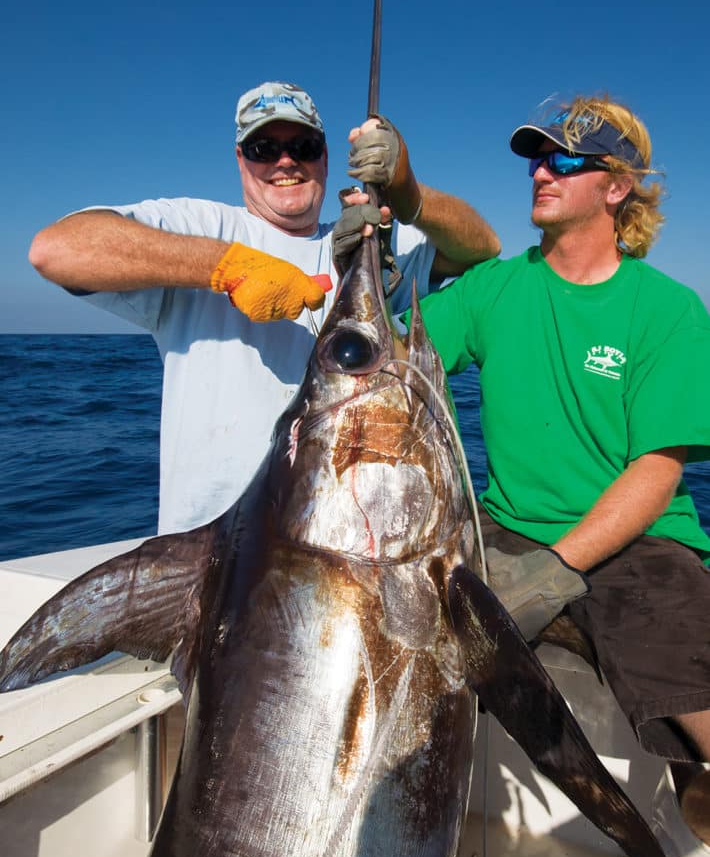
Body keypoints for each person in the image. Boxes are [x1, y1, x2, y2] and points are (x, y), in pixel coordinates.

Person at [413, 95, 710, 857]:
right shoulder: (494, 290)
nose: (541, 172)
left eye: (565, 161)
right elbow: (394, 355)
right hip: (504, 527)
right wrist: (363, 250)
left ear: (617, 188)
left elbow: (656, 472)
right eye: (536, 159)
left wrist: (554, 573)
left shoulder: (669, 310)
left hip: (634, 531)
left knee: (673, 638)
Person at [28, 81, 500, 535]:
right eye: (263, 149)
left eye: (304, 145)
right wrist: (228, 267)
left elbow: (482, 247)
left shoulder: (372, 241)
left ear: (326, 154)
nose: (286, 161)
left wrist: (409, 193)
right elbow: (57, 250)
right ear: (240, 159)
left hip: (351, 537)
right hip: (212, 550)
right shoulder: (202, 226)